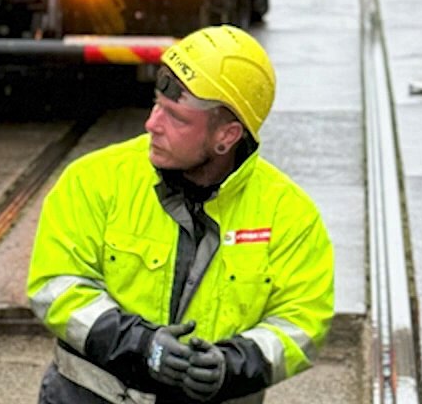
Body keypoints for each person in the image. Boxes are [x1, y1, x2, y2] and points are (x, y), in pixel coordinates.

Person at [27, 25, 334, 404]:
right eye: (157, 104)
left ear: (228, 136)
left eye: (176, 117)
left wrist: (233, 365)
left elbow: (304, 322)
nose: (152, 124)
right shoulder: (93, 181)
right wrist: (139, 345)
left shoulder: (289, 215)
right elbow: (54, 287)